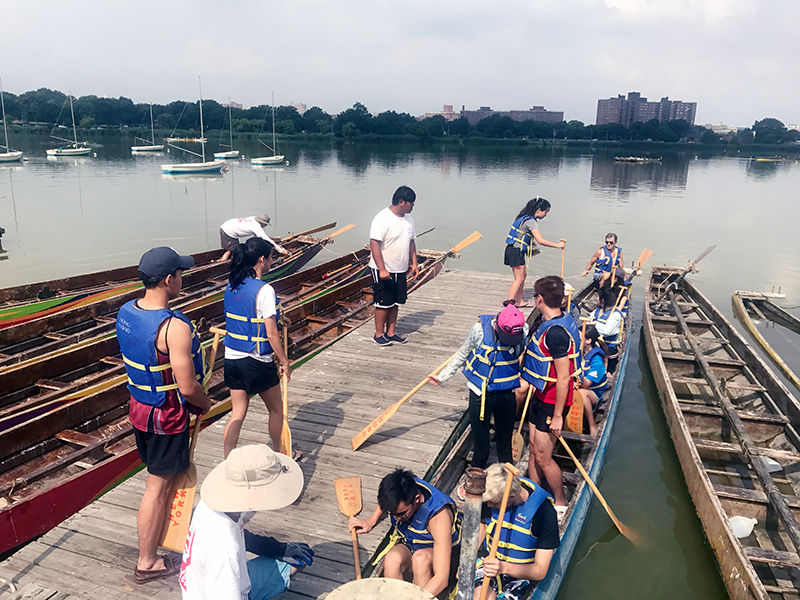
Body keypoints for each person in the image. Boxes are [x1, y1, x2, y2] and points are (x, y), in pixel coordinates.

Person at [116, 247, 212, 583]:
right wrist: (206, 402)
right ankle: (148, 561)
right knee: (156, 487)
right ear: (169, 280)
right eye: (181, 274)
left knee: (158, 481)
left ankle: (152, 550)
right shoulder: (173, 328)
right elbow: (187, 387)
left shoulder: (126, 311)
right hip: (166, 417)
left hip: (139, 410)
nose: (182, 279)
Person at [180, 444, 313, 600]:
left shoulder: (214, 504)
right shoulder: (225, 549)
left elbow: (242, 536)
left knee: (297, 561)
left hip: (206, 585)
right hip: (221, 591)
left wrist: (278, 549)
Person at [429, 302, 526, 471]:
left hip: (506, 396)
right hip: (480, 396)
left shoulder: (522, 330)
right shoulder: (479, 331)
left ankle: (508, 489)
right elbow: (462, 354)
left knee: (505, 449)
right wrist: (442, 377)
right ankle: (474, 487)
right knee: (481, 451)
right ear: (497, 325)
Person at [222, 237, 296, 459]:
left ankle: (228, 459)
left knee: (238, 411)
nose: (272, 262)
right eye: (272, 258)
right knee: (276, 409)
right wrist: (285, 362)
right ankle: (281, 453)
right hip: (256, 360)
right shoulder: (264, 290)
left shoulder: (232, 284)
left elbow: (248, 316)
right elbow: (271, 334)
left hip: (232, 359)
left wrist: (283, 318)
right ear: (262, 259)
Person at [519, 276, 581, 521]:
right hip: (540, 394)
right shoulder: (553, 321)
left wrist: (557, 417)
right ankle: (535, 495)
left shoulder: (555, 333)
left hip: (553, 401)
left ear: (539, 299)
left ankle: (560, 501)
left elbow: (564, 378)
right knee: (533, 449)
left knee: (544, 457)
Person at [348, 469, 461, 598]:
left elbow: (442, 578)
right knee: (392, 560)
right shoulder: (402, 487)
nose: (397, 518)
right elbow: (387, 502)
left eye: (402, 513)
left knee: (420, 560)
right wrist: (370, 521)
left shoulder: (439, 517)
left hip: (444, 558)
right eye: (392, 514)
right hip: (412, 544)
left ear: (417, 499)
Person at [473, 463, 559, 600]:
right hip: (488, 561)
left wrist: (502, 567)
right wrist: (467, 561)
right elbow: (482, 525)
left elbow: (540, 571)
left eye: (494, 503)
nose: (488, 506)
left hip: (521, 573)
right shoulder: (491, 495)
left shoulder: (544, 513)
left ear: (511, 498)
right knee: (480, 597)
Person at [369, 185, 419, 346]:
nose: (413, 206)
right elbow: (374, 243)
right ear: (401, 202)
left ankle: (391, 332)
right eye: (411, 203)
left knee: (396, 301)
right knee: (383, 303)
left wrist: (414, 263)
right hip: (383, 268)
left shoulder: (408, 218)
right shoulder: (382, 218)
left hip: (401, 267)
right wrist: (382, 269)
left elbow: (411, 241)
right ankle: (378, 334)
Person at [504, 197, 565, 308]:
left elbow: (523, 235)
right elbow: (540, 240)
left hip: (512, 249)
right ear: (538, 211)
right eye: (545, 212)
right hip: (516, 251)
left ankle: (519, 301)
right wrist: (557, 245)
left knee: (523, 276)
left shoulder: (522, 217)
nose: (545, 215)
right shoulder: (531, 221)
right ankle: (509, 304)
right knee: (519, 279)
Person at [577, 325, 609, 436]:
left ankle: (592, 425)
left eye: (579, 339)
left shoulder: (597, 360)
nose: (576, 341)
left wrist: (578, 375)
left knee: (582, 393)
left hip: (593, 393)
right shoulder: (578, 353)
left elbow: (585, 385)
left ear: (588, 341)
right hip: (577, 387)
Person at [588, 286, 625, 374]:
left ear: (602, 300)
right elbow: (589, 320)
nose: (596, 299)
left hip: (608, 350)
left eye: (597, 297)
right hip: (596, 346)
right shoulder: (597, 311)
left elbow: (607, 331)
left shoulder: (615, 315)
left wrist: (596, 325)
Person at [219, 214, 287, 262]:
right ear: (262, 223)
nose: (265, 226)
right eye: (265, 225)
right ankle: (222, 264)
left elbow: (257, 238)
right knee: (232, 251)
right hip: (228, 230)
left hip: (228, 226)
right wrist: (281, 250)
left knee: (233, 249)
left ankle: (229, 261)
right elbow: (266, 239)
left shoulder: (253, 219)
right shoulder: (256, 227)